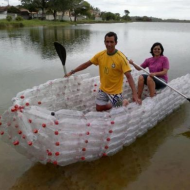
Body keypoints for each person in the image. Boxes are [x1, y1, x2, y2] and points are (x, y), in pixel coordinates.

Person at [65, 31, 141, 111]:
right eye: (107, 42)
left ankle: (124, 102)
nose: (109, 44)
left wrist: (135, 94)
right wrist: (72, 72)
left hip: (115, 91)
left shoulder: (121, 58)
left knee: (119, 112)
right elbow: (86, 64)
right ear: (104, 42)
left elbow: (129, 76)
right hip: (103, 88)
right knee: (99, 108)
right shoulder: (100, 55)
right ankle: (113, 104)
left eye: (111, 42)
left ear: (116, 43)